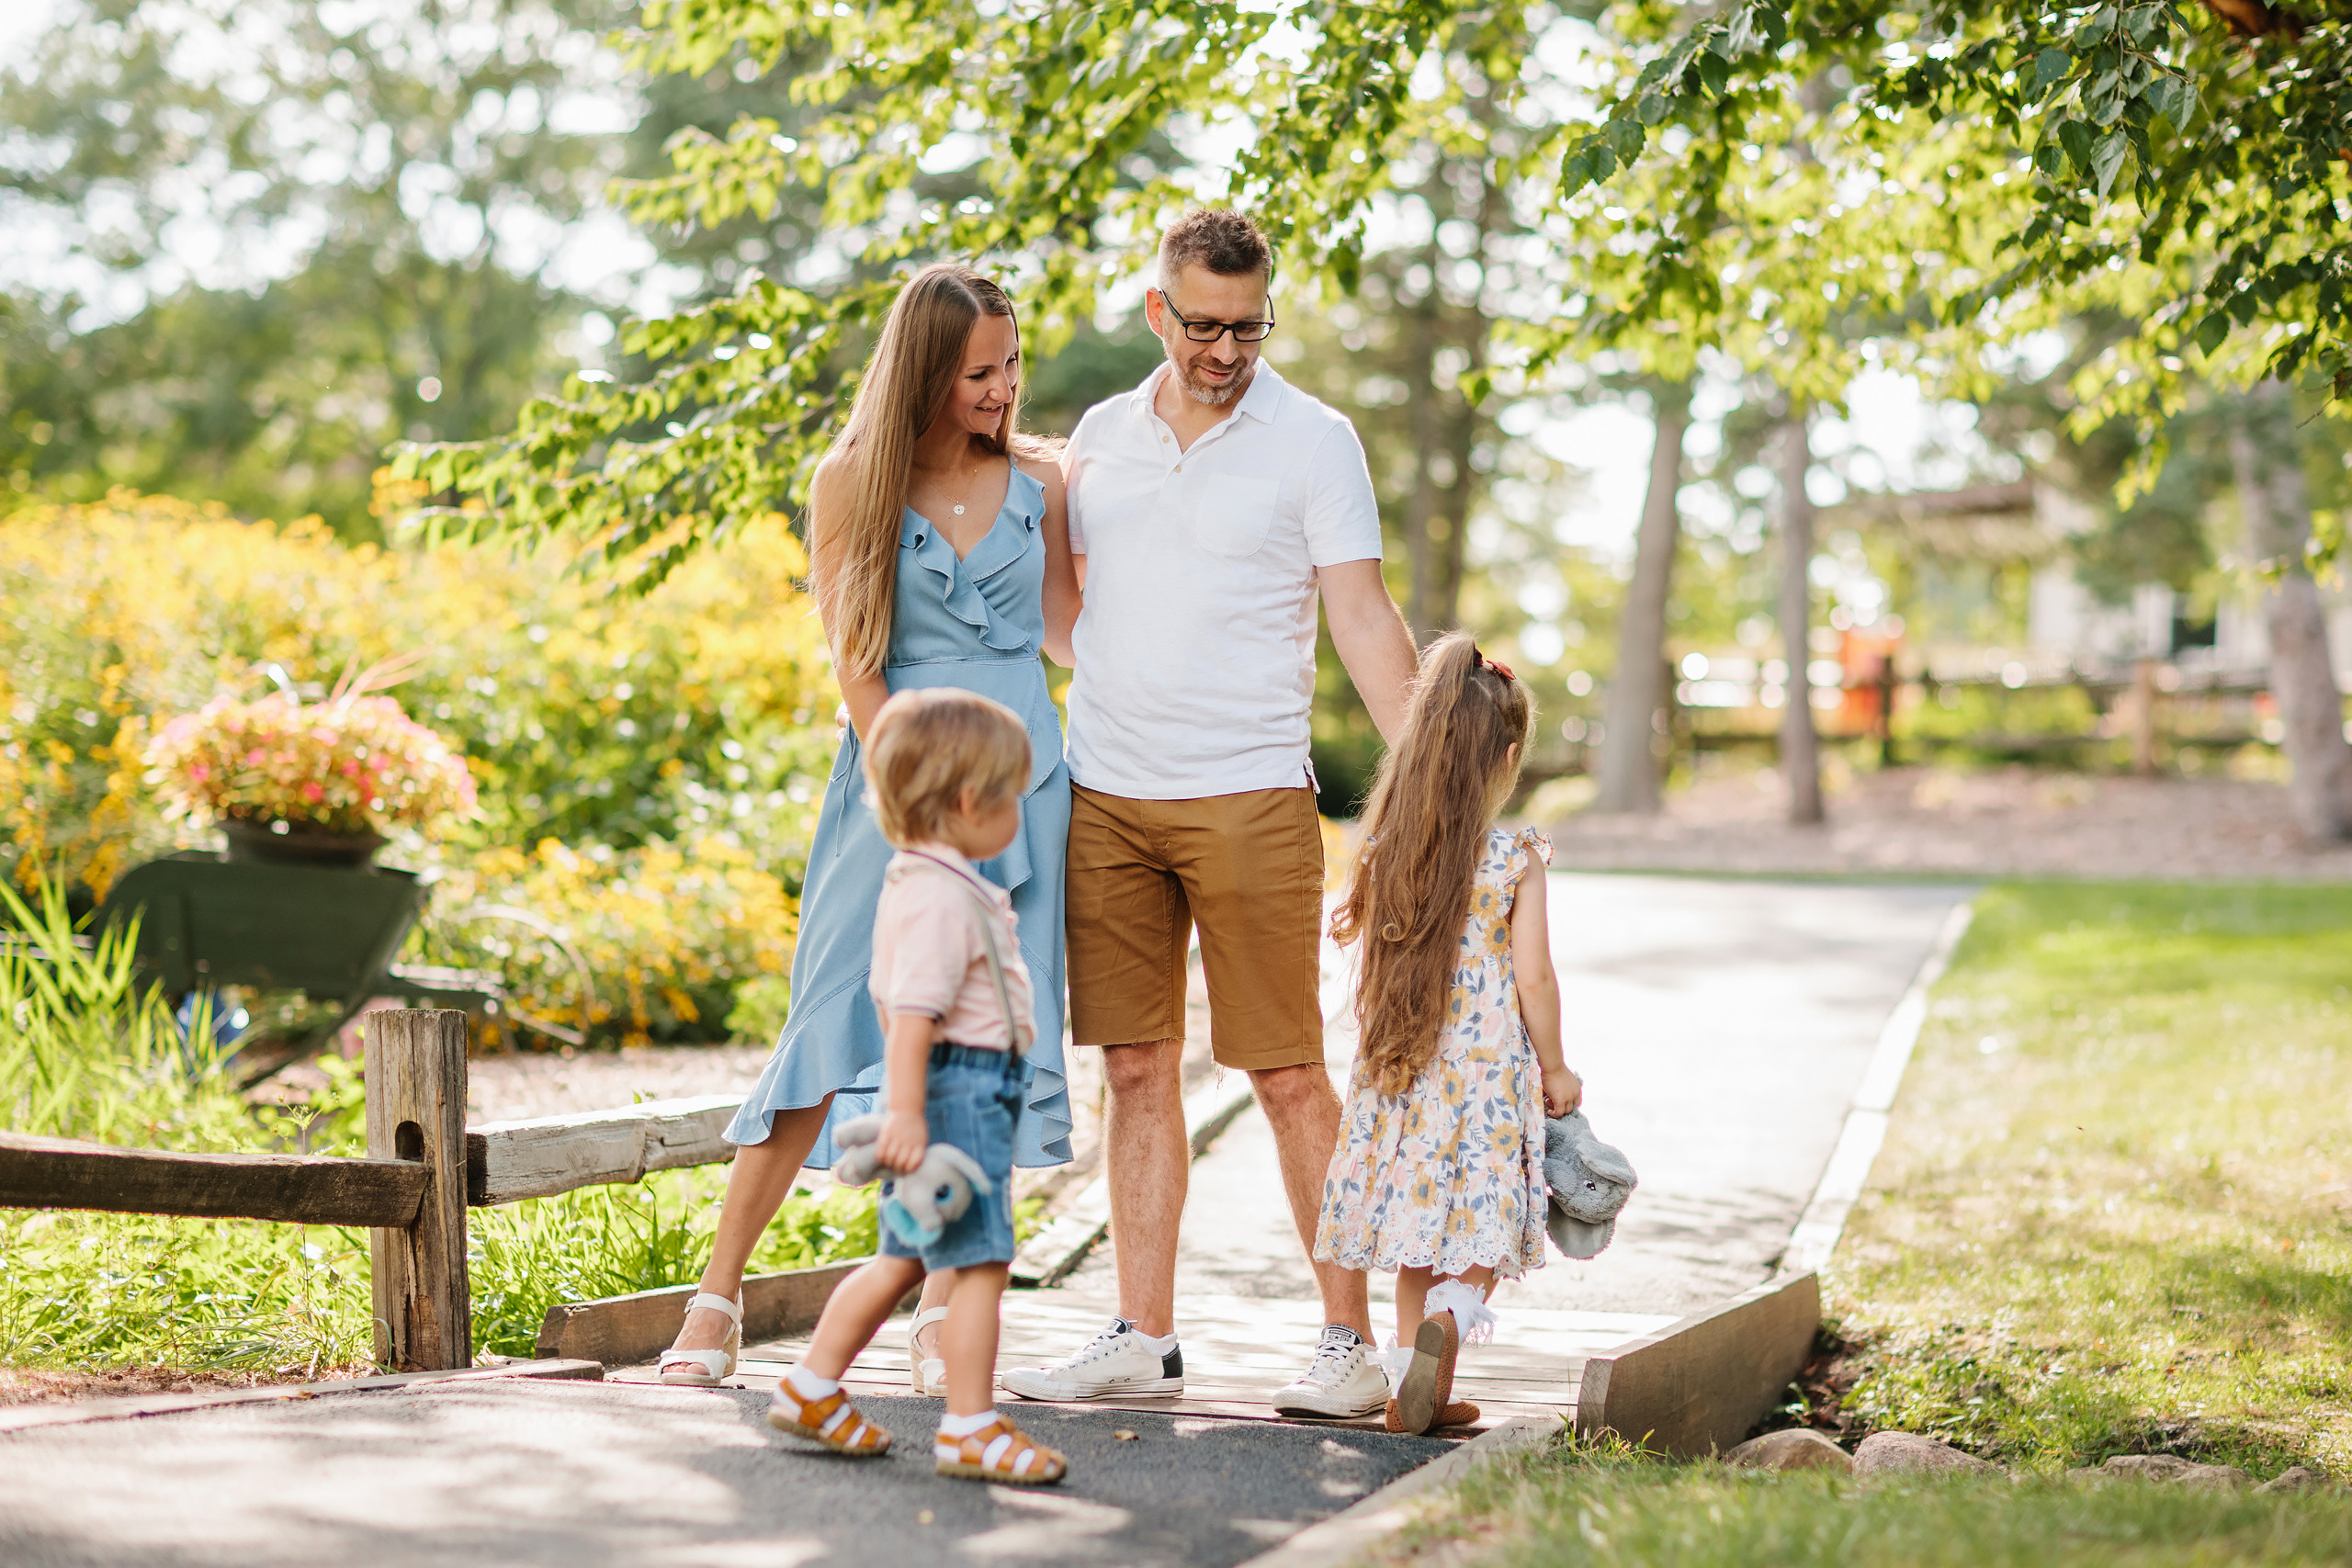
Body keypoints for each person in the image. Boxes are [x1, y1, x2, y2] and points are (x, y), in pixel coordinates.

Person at [999, 209, 1420, 1419]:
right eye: (1202, 325)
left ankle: (1347, 1343)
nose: (1225, 350)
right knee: (1133, 1067)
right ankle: (1141, 1330)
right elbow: (1072, 615)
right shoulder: (1101, 437)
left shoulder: (1315, 440)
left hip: (1249, 793)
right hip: (1111, 792)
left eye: (1247, 326)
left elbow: (1361, 615)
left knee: (1287, 1069)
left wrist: (1429, 777)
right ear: (1156, 312)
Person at [659, 264, 1079, 1392]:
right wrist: (914, 806)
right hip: (892, 787)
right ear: (926, 371)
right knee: (829, 1015)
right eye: (979, 373)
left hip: (1020, 793)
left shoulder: (1045, 480)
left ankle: (940, 1317)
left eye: (1009, 367)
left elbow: (1076, 635)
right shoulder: (851, 479)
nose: (1003, 391)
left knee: (982, 1045)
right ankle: (716, 1296)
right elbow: (854, 657)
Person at [766, 687, 1067, 1485]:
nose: (1018, 813)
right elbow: (910, 1013)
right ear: (969, 801)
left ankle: (813, 1384)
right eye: (1009, 796)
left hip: (964, 1090)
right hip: (958, 1094)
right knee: (977, 1262)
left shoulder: (934, 878)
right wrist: (905, 1111)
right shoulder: (938, 895)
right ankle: (970, 1423)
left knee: (905, 1255)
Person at [1313, 634, 1582, 1435]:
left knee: (1416, 1237)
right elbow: (1534, 976)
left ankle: (1410, 1390)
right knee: (1483, 1227)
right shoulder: (1512, 856)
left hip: (1400, 1063)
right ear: (1504, 756)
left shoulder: (1391, 846)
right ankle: (1455, 1318)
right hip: (1488, 1074)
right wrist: (1558, 1067)